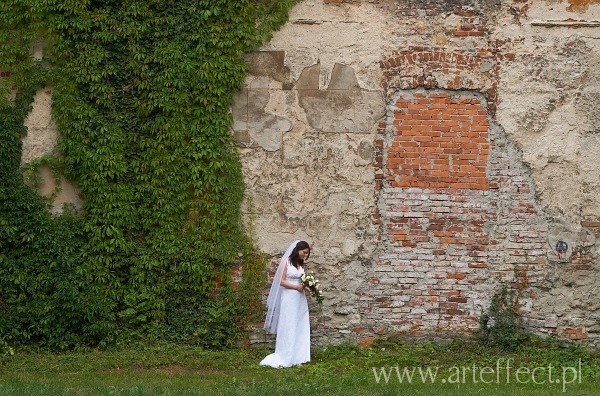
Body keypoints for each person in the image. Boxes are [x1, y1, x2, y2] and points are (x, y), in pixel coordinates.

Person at [260, 240, 311, 368]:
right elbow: (281, 281)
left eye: (307, 253)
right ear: (297, 250)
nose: (305, 255)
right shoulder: (286, 262)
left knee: (299, 324)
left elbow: (301, 279)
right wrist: (296, 287)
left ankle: (298, 356)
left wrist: (307, 286)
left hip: (300, 298)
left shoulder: (300, 264)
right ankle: (286, 355)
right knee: (288, 324)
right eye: (304, 252)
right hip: (289, 297)